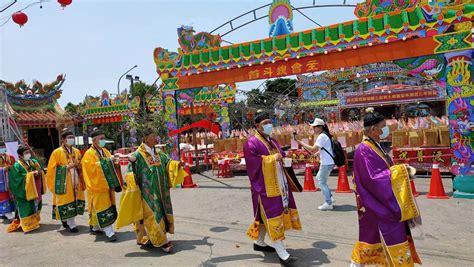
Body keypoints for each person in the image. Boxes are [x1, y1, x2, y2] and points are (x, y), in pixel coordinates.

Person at [350, 107, 422, 267]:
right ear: (374, 129)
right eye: (384, 126)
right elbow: (374, 178)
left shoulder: (376, 145)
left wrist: (400, 170)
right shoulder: (364, 150)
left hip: (379, 199)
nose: (386, 129)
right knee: (378, 234)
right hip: (374, 200)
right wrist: (403, 171)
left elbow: (384, 171)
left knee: (371, 236)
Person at [243, 111, 301, 265]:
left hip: (279, 184)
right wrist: (273, 158)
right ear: (257, 125)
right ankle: (283, 254)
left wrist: (285, 157)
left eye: (270, 122)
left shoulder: (272, 140)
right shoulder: (251, 143)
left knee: (263, 217)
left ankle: (259, 242)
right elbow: (252, 164)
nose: (269, 125)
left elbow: (280, 154)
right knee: (272, 216)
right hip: (265, 187)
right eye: (265, 123)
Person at [117, 128, 186, 253]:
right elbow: (130, 174)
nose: (156, 138)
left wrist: (177, 165)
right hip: (148, 193)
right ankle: (162, 241)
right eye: (153, 135)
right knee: (153, 214)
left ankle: (147, 237)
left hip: (161, 191)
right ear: (146, 138)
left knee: (160, 213)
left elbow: (168, 162)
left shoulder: (158, 152)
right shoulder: (137, 155)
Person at [81, 128, 120, 242]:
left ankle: (96, 227)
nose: (103, 141)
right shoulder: (89, 153)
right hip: (97, 186)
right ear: (94, 140)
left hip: (107, 185)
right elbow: (91, 169)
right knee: (103, 207)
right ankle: (109, 232)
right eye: (101, 138)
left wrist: (114, 162)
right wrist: (108, 162)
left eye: (104, 138)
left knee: (97, 207)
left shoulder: (105, 151)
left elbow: (109, 164)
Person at [46, 128, 85, 233]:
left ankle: (67, 220)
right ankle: (71, 224)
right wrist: (66, 168)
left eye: (72, 137)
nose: (71, 139)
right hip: (64, 182)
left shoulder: (76, 151)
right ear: (63, 140)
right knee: (66, 200)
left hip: (75, 179)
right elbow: (51, 169)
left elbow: (81, 164)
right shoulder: (56, 152)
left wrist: (79, 166)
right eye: (69, 138)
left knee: (74, 200)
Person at [297, 118, 335, 210]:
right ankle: (330, 197)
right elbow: (324, 148)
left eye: (314, 127)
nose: (313, 129)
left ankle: (328, 202)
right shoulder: (325, 135)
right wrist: (318, 153)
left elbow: (313, 148)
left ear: (320, 127)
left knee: (321, 181)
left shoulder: (322, 136)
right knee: (321, 180)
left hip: (326, 162)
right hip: (328, 161)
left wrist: (301, 143)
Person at [7, 145, 46, 233]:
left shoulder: (34, 161)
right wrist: (32, 174)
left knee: (36, 204)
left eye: (29, 152)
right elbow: (17, 178)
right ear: (20, 155)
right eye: (26, 153)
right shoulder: (17, 165)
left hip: (36, 187)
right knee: (27, 206)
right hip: (25, 190)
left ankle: (35, 222)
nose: (28, 154)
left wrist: (39, 172)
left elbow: (41, 170)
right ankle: (27, 225)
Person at [0, 146, 16, 221]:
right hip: (1, 182)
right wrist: (3, 169)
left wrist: (10, 168)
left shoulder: (11, 157)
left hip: (10, 179)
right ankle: (8, 215)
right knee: (3, 198)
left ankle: (6, 213)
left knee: (10, 197)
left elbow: (15, 166)